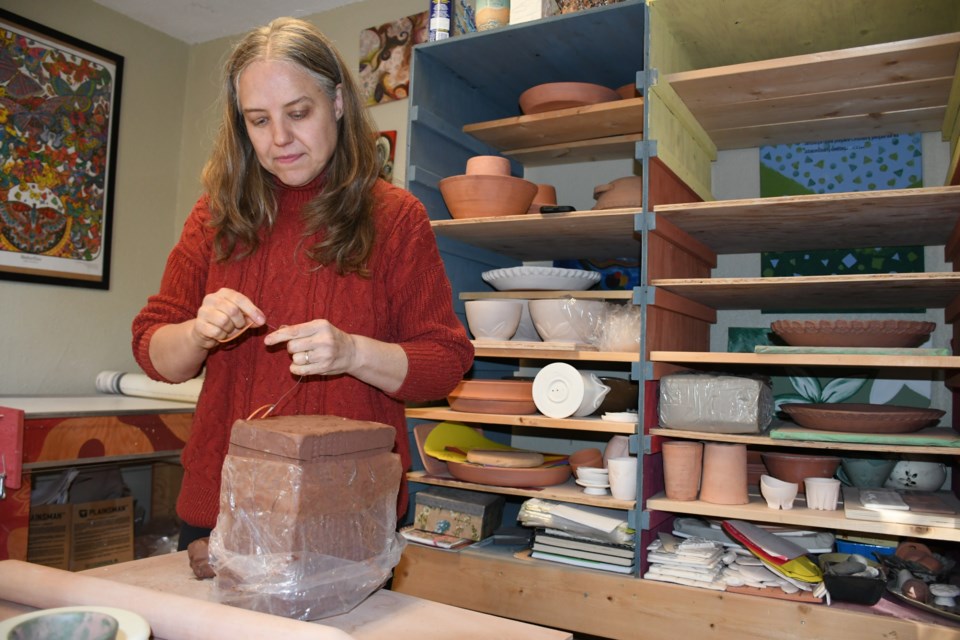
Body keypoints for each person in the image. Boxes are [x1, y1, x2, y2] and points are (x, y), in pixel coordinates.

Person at [131, 17, 474, 570]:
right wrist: (196, 333)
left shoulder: (395, 218)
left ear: (337, 101)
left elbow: (446, 364)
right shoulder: (214, 218)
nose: (280, 139)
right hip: (221, 511)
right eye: (258, 121)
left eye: (298, 113)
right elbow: (154, 353)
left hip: (349, 515)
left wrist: (353, 353)